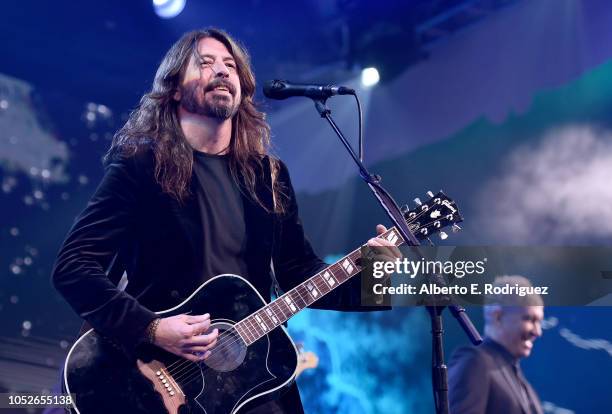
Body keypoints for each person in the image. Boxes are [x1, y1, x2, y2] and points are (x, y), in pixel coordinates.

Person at [51, 28, 397, 413]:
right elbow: (73, 267)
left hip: (250, 380)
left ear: (243, 88)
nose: (222, 71)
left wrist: (375, 272)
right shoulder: (141, 168)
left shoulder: (267, 176)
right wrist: (152, 328)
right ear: (175, 89)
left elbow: (299, 272)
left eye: (230, 65)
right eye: (205, 63)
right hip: (153, 378)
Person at [448, 275, 544, 414]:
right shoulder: (475, 362)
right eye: (529, 319)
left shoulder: (518, 380)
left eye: (539, 321)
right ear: (497, 316)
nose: (537, 332)